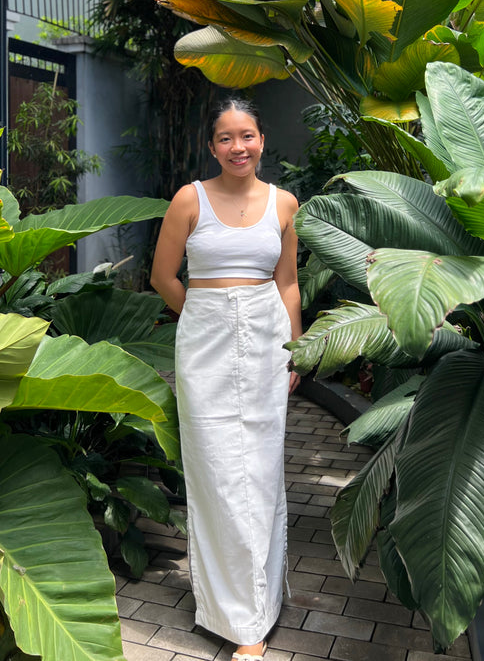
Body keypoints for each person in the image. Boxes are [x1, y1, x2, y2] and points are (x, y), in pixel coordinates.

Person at [150, 97, 302, 661]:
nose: (238, 147)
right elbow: (163, 276)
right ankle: (230, 610)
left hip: (267, 343)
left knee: (260, 474)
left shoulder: (285, 203)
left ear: (261, 140)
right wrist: (205, 314)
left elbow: (288, 284)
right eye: (225, 138)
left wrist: (296, 350)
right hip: (205, 345)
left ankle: (255, 617)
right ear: (211, 146)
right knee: (215, 472)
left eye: (247, 136)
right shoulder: (190, 199)